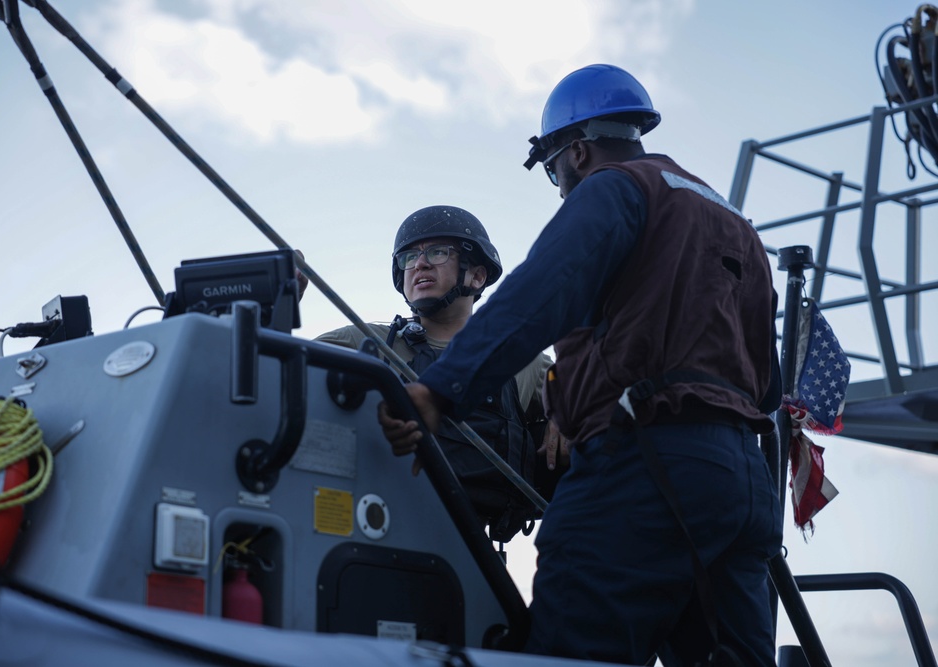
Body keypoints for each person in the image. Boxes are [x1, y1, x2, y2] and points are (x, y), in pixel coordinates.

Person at [378, 64, 784, 666]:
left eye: (552, 171)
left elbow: (540, 293)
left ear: (578, 152)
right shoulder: (733, 222)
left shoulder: (614, 188)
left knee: (571, 649)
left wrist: (438, 391)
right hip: (743, 487)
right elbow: (768, 383)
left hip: (646, 468)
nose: (561, 186)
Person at [314, 205, 567, 542]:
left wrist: (565, 412)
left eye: (437, 252)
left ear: (477, 276)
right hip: (367, 537)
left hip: (474, 552)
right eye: (409, 257)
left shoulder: (523, 364)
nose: (419, 263)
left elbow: (594, 398)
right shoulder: (362, 342)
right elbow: (274, 366)